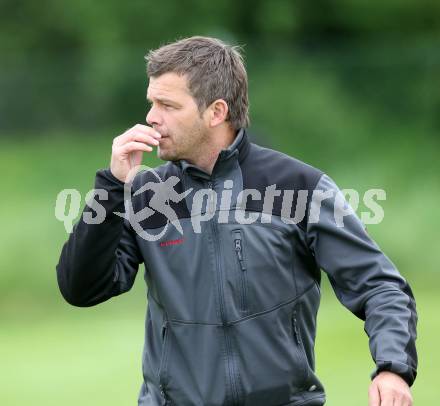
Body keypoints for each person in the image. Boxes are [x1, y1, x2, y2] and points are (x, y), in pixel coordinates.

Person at [56, 36, 417, 406]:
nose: (151, 117)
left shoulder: (299, 187)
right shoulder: (148, 195)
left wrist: (393, 368)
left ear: (215, 112)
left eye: (167, 105)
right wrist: (112, 186)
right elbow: (82, 288)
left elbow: (380, 287)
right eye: (152, 103)